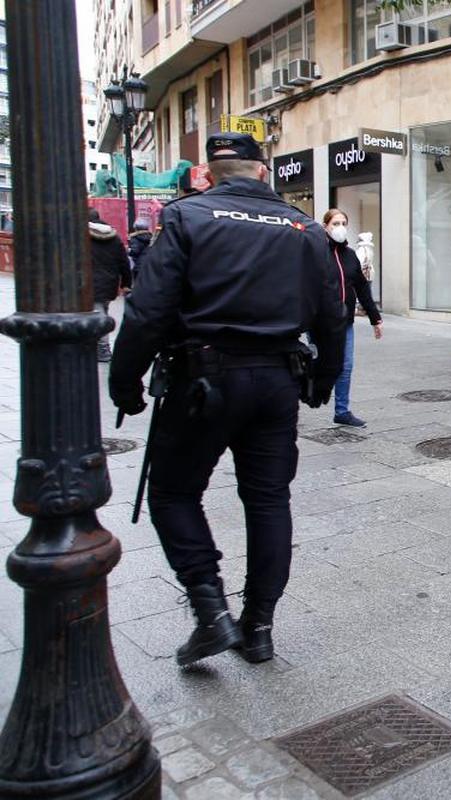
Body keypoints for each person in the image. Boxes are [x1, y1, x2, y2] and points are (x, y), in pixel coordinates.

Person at [109, 133, 346, 667]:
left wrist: (125, 380)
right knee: (268, 501)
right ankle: (258, 627)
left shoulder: (187, 217)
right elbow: (333, 314)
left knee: (172, 494)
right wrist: (324, 380)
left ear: (210, 174)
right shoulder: (304, 228)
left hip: (205, 379)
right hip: (276, 380)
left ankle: (210, 608)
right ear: (263, 173)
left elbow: (147, 311)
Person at [323, 209, 383, 427]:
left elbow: (362, 289)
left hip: (345, 323)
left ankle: (342, 411)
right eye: (335, 223)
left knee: (345, 367)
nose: (340, 227)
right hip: (320, 324)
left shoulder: (350, 256)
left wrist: (375, 318)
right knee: (318, 365)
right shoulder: (316, 252)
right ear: (325, 226)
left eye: (343, 223)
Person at [88, 208, 131, 362]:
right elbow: (124, 262)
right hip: (109, 283)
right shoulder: (114, 238)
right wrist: (127, 282)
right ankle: (99, 345)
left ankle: (102, 347)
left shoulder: (83, 237)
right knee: (102, 310)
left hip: (89, 283)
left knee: (98, 314)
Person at [127, 217, 153, 284]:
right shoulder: (151, 237)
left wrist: (128, 250)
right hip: (150, 264)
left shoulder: (135, 238)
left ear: (135, 228)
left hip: (138, 265)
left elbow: (134, 251)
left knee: (138, 284)